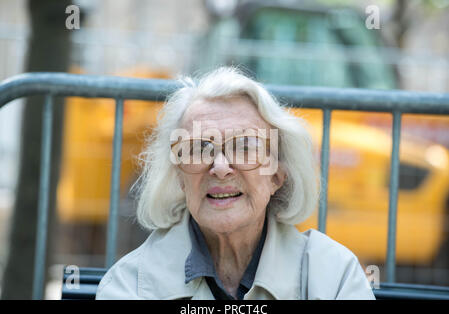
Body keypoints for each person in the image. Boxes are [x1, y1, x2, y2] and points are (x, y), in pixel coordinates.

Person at [95, 67, 375, 300]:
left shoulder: (335, 277)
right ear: (179, 176)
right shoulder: (130, 286)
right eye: (199, 148)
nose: (219, 167)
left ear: (277, 175)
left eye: (244, 146)